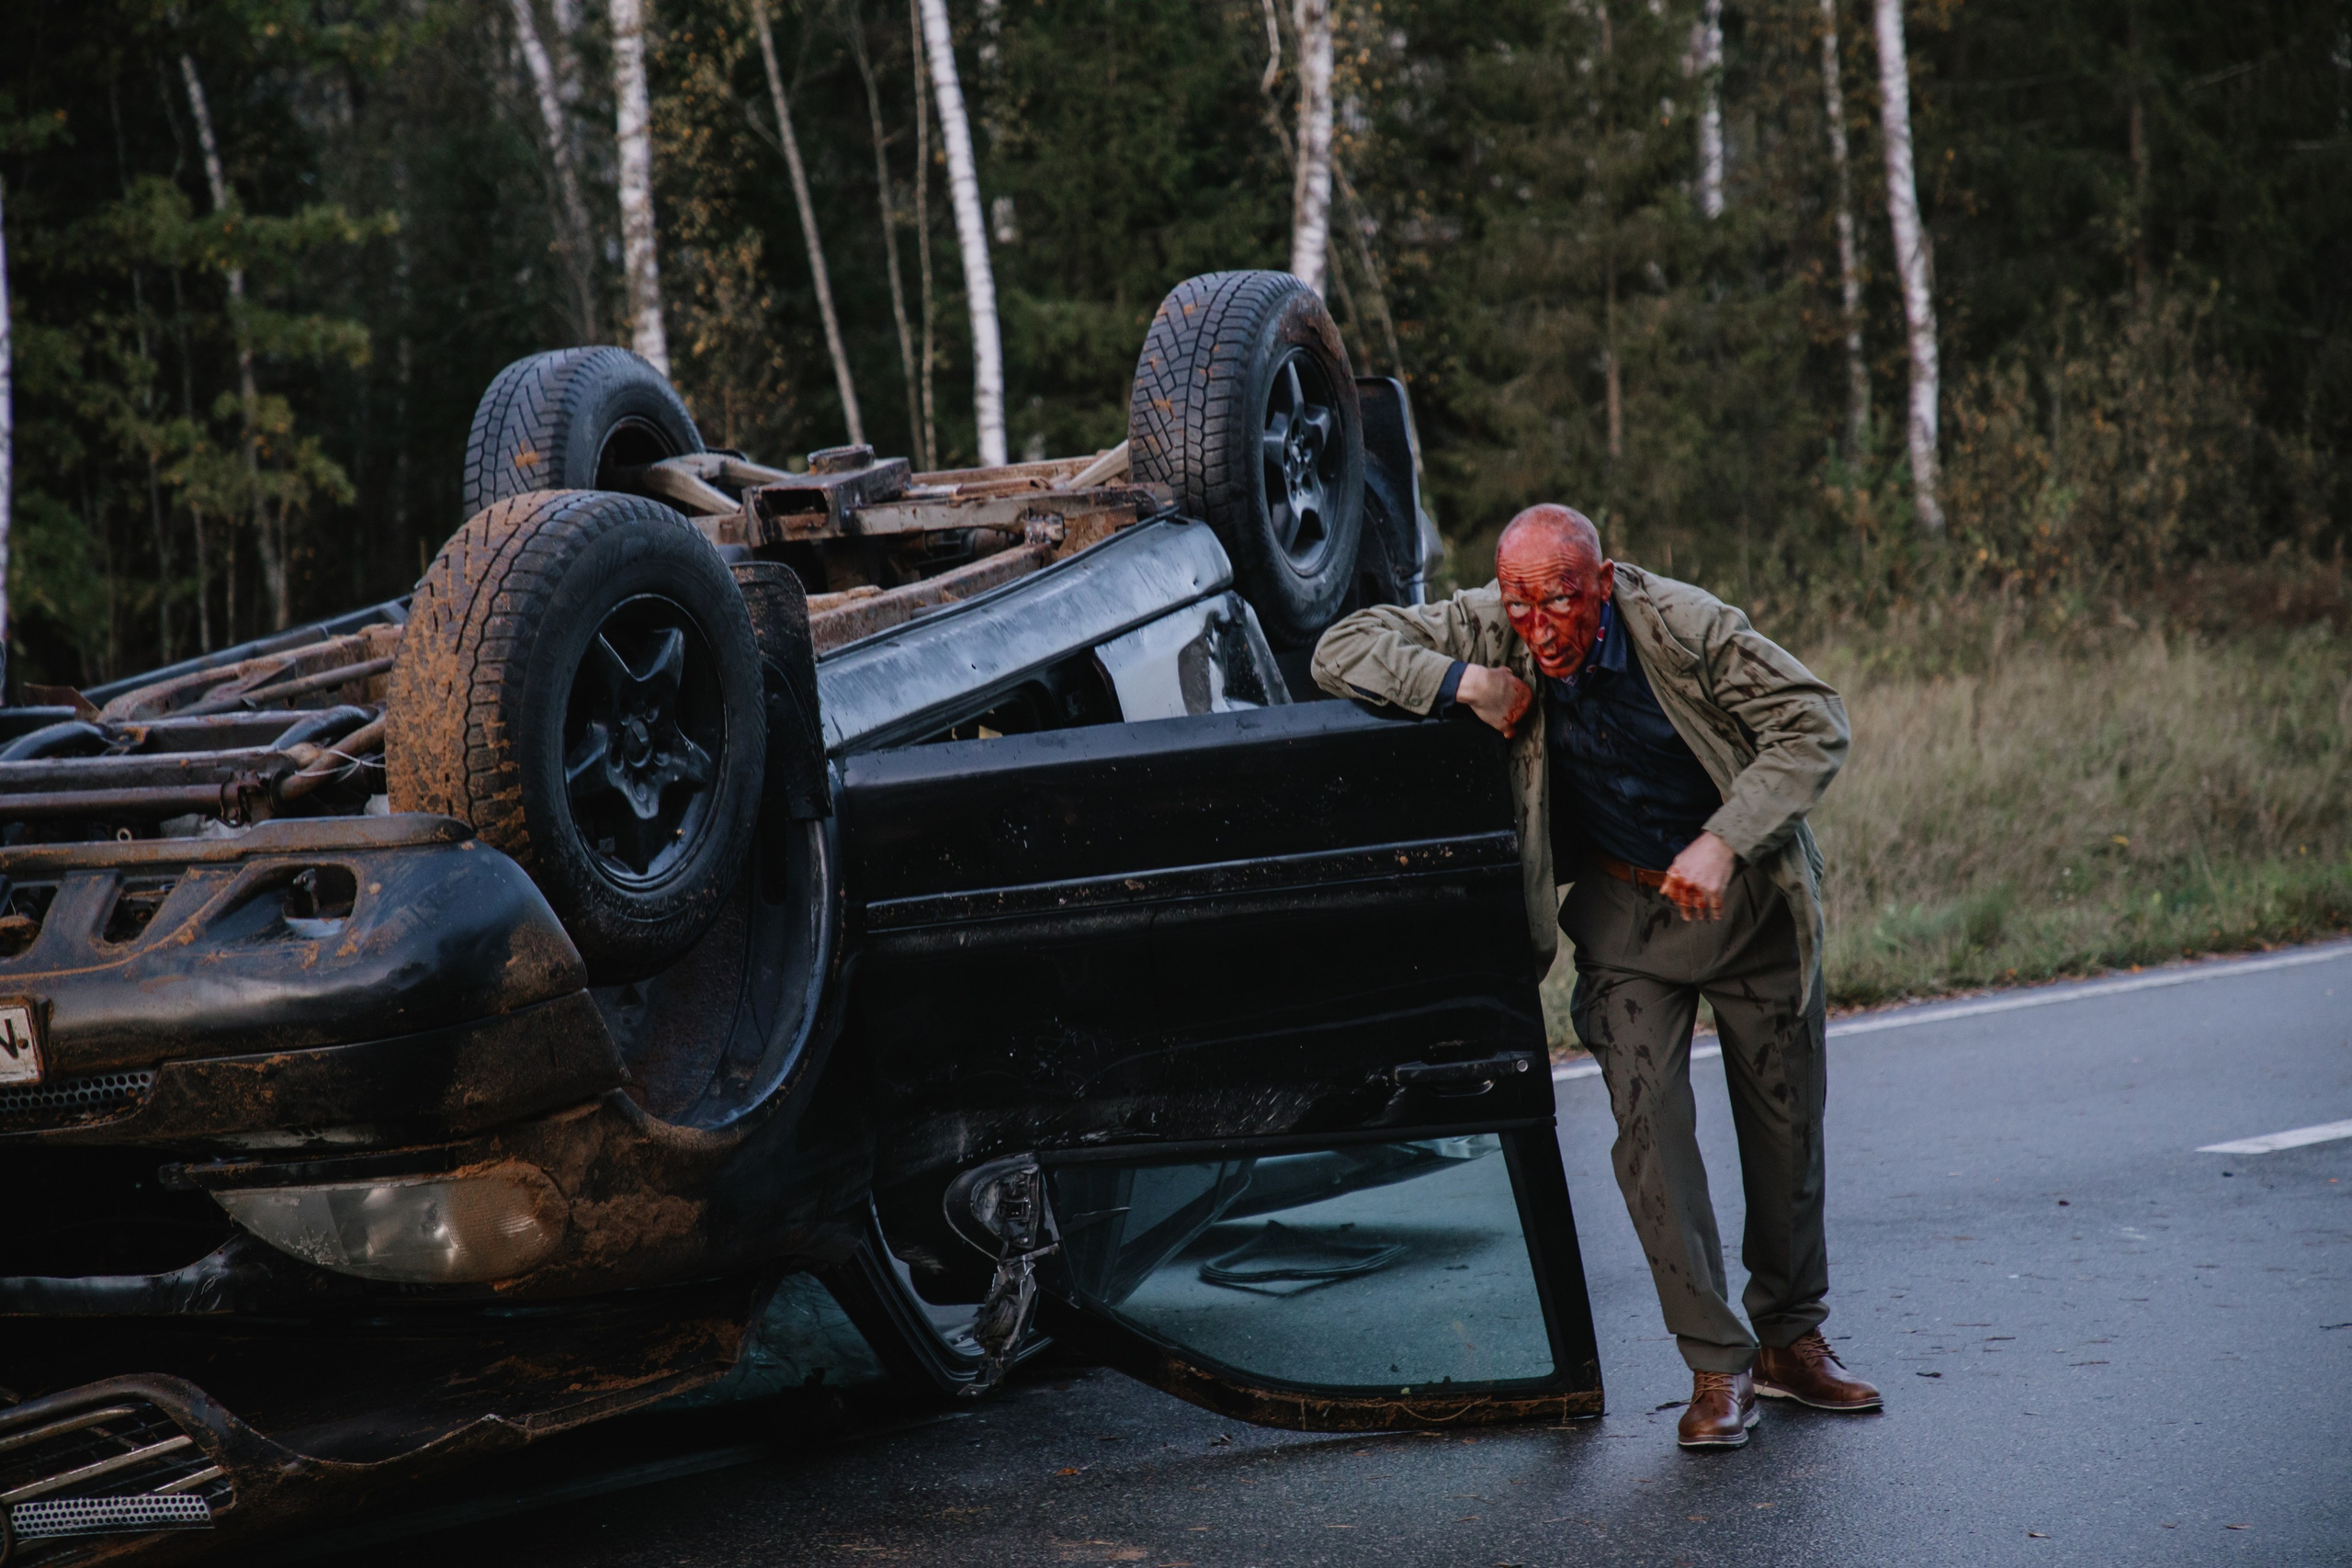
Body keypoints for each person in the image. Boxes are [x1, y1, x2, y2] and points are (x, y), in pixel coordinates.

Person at [1312, 503, 1879, 1450]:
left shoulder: (1684, 627)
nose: (1540, 630)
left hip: (1746, 902)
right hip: (1622, 916)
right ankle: (1716, 1366)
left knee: (1784, 1131)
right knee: (1647, 1129)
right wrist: (1462, 682)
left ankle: (1790, 1339)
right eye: (1520, 606)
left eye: (1560, 605)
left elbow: (1813, 721)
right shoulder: (1496, 624)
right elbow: (1343, 648)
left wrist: (1723, 841)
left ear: (1603, 584)